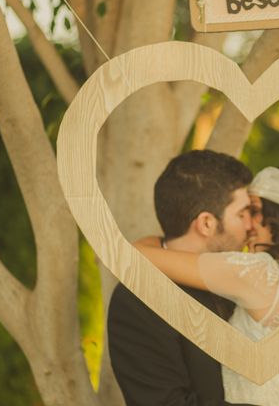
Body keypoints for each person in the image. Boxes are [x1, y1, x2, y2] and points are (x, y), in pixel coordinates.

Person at [136, 165, 279, 406]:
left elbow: (138, 256)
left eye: (255, 211)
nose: (249, 225)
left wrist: (158, 239)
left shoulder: (261, 273)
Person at [108, 149, 256, 406]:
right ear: (207, 223)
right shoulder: (137, 302)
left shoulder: (249, 278)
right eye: (242, 215)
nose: (251, 225)